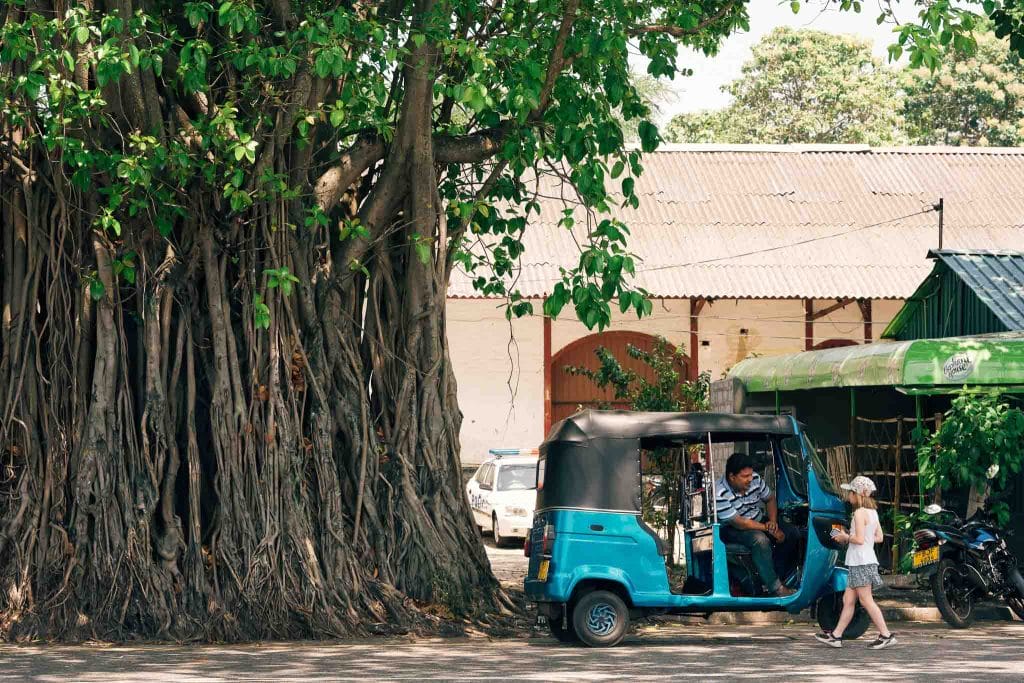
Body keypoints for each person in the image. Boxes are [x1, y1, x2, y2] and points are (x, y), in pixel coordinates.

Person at [814, 476, 897, 650]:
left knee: (866, 601)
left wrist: (844, 536)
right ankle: (836, 636)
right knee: (848, 599)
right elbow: (879, 537)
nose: (848, 496)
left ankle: (886, 635)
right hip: (864, 560)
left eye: (850, 492)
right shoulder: (873, 513)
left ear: (857, 494)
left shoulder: (859, 513)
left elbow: (858, 539)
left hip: (861, 562)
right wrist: (860, 538)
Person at [715, 452, 801, 597]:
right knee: (760, 540)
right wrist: (770, 529)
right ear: (732, 477)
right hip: (732, 527)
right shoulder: (720, 492)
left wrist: (773, 522)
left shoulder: (755, 479)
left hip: (757, 518)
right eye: (745, 477)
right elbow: (741, 524)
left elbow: (770, 499)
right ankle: (776, 588)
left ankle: (774, 578)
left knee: (793, 533)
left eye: (750, 474)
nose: (750, 479)